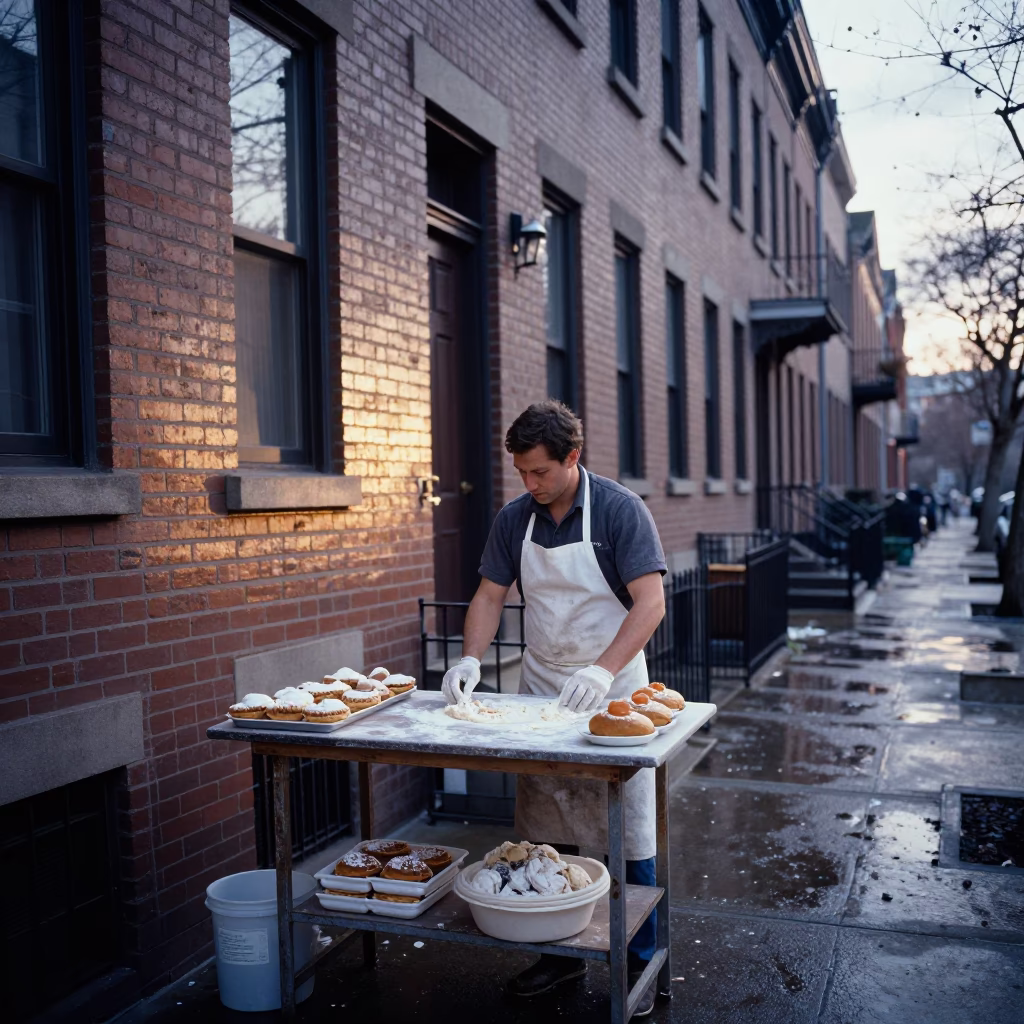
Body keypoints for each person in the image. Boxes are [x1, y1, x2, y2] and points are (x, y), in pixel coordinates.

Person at [442, 401, 667, 1018]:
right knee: (546, 828)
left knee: (628, 830)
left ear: (572, 457)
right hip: (543, 688)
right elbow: (489, 595)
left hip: (614, 688)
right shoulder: (516, 519)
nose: (529, 484)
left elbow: (650, 604)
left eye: (540, 472)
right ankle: (557, 957)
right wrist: (469, 659)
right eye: (521, 473)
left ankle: (640, 960)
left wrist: (602, 668)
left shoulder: (620, 510)